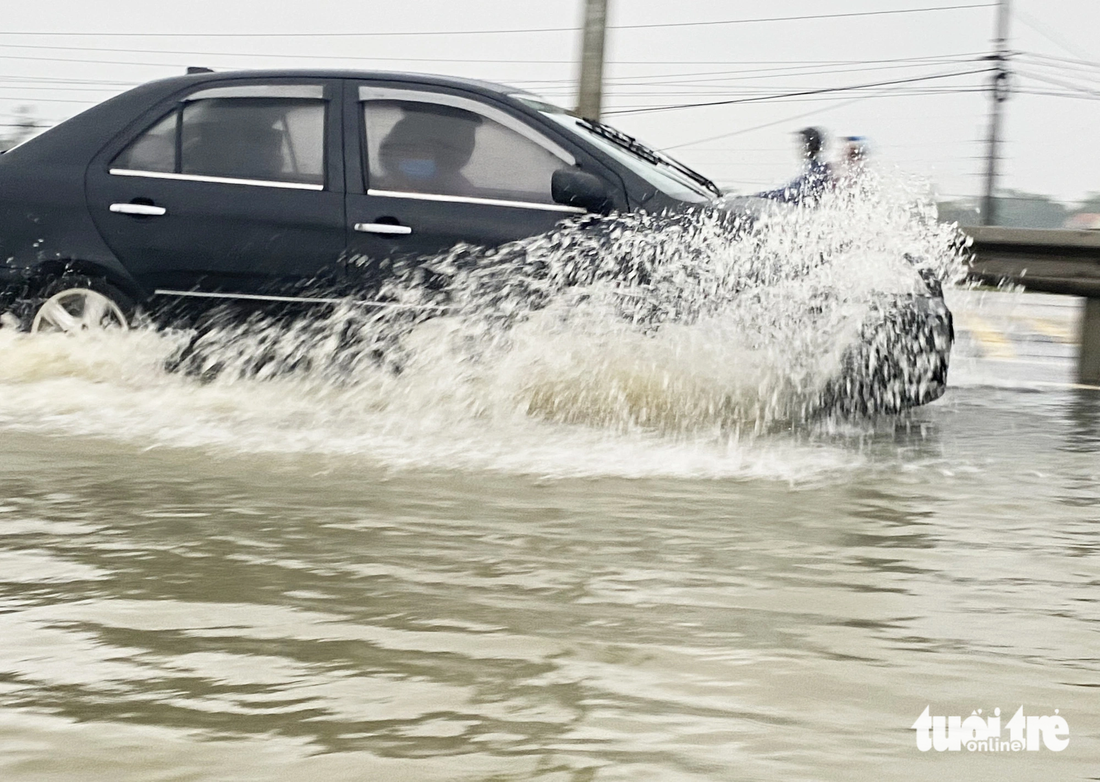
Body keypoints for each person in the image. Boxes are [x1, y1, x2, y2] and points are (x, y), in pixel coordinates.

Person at [755, 126, 835, 205]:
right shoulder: (817, 168)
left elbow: (792, 192)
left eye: (801, 143)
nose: (798, 147)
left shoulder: (817, 171)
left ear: (808, 146)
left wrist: (759, 197)